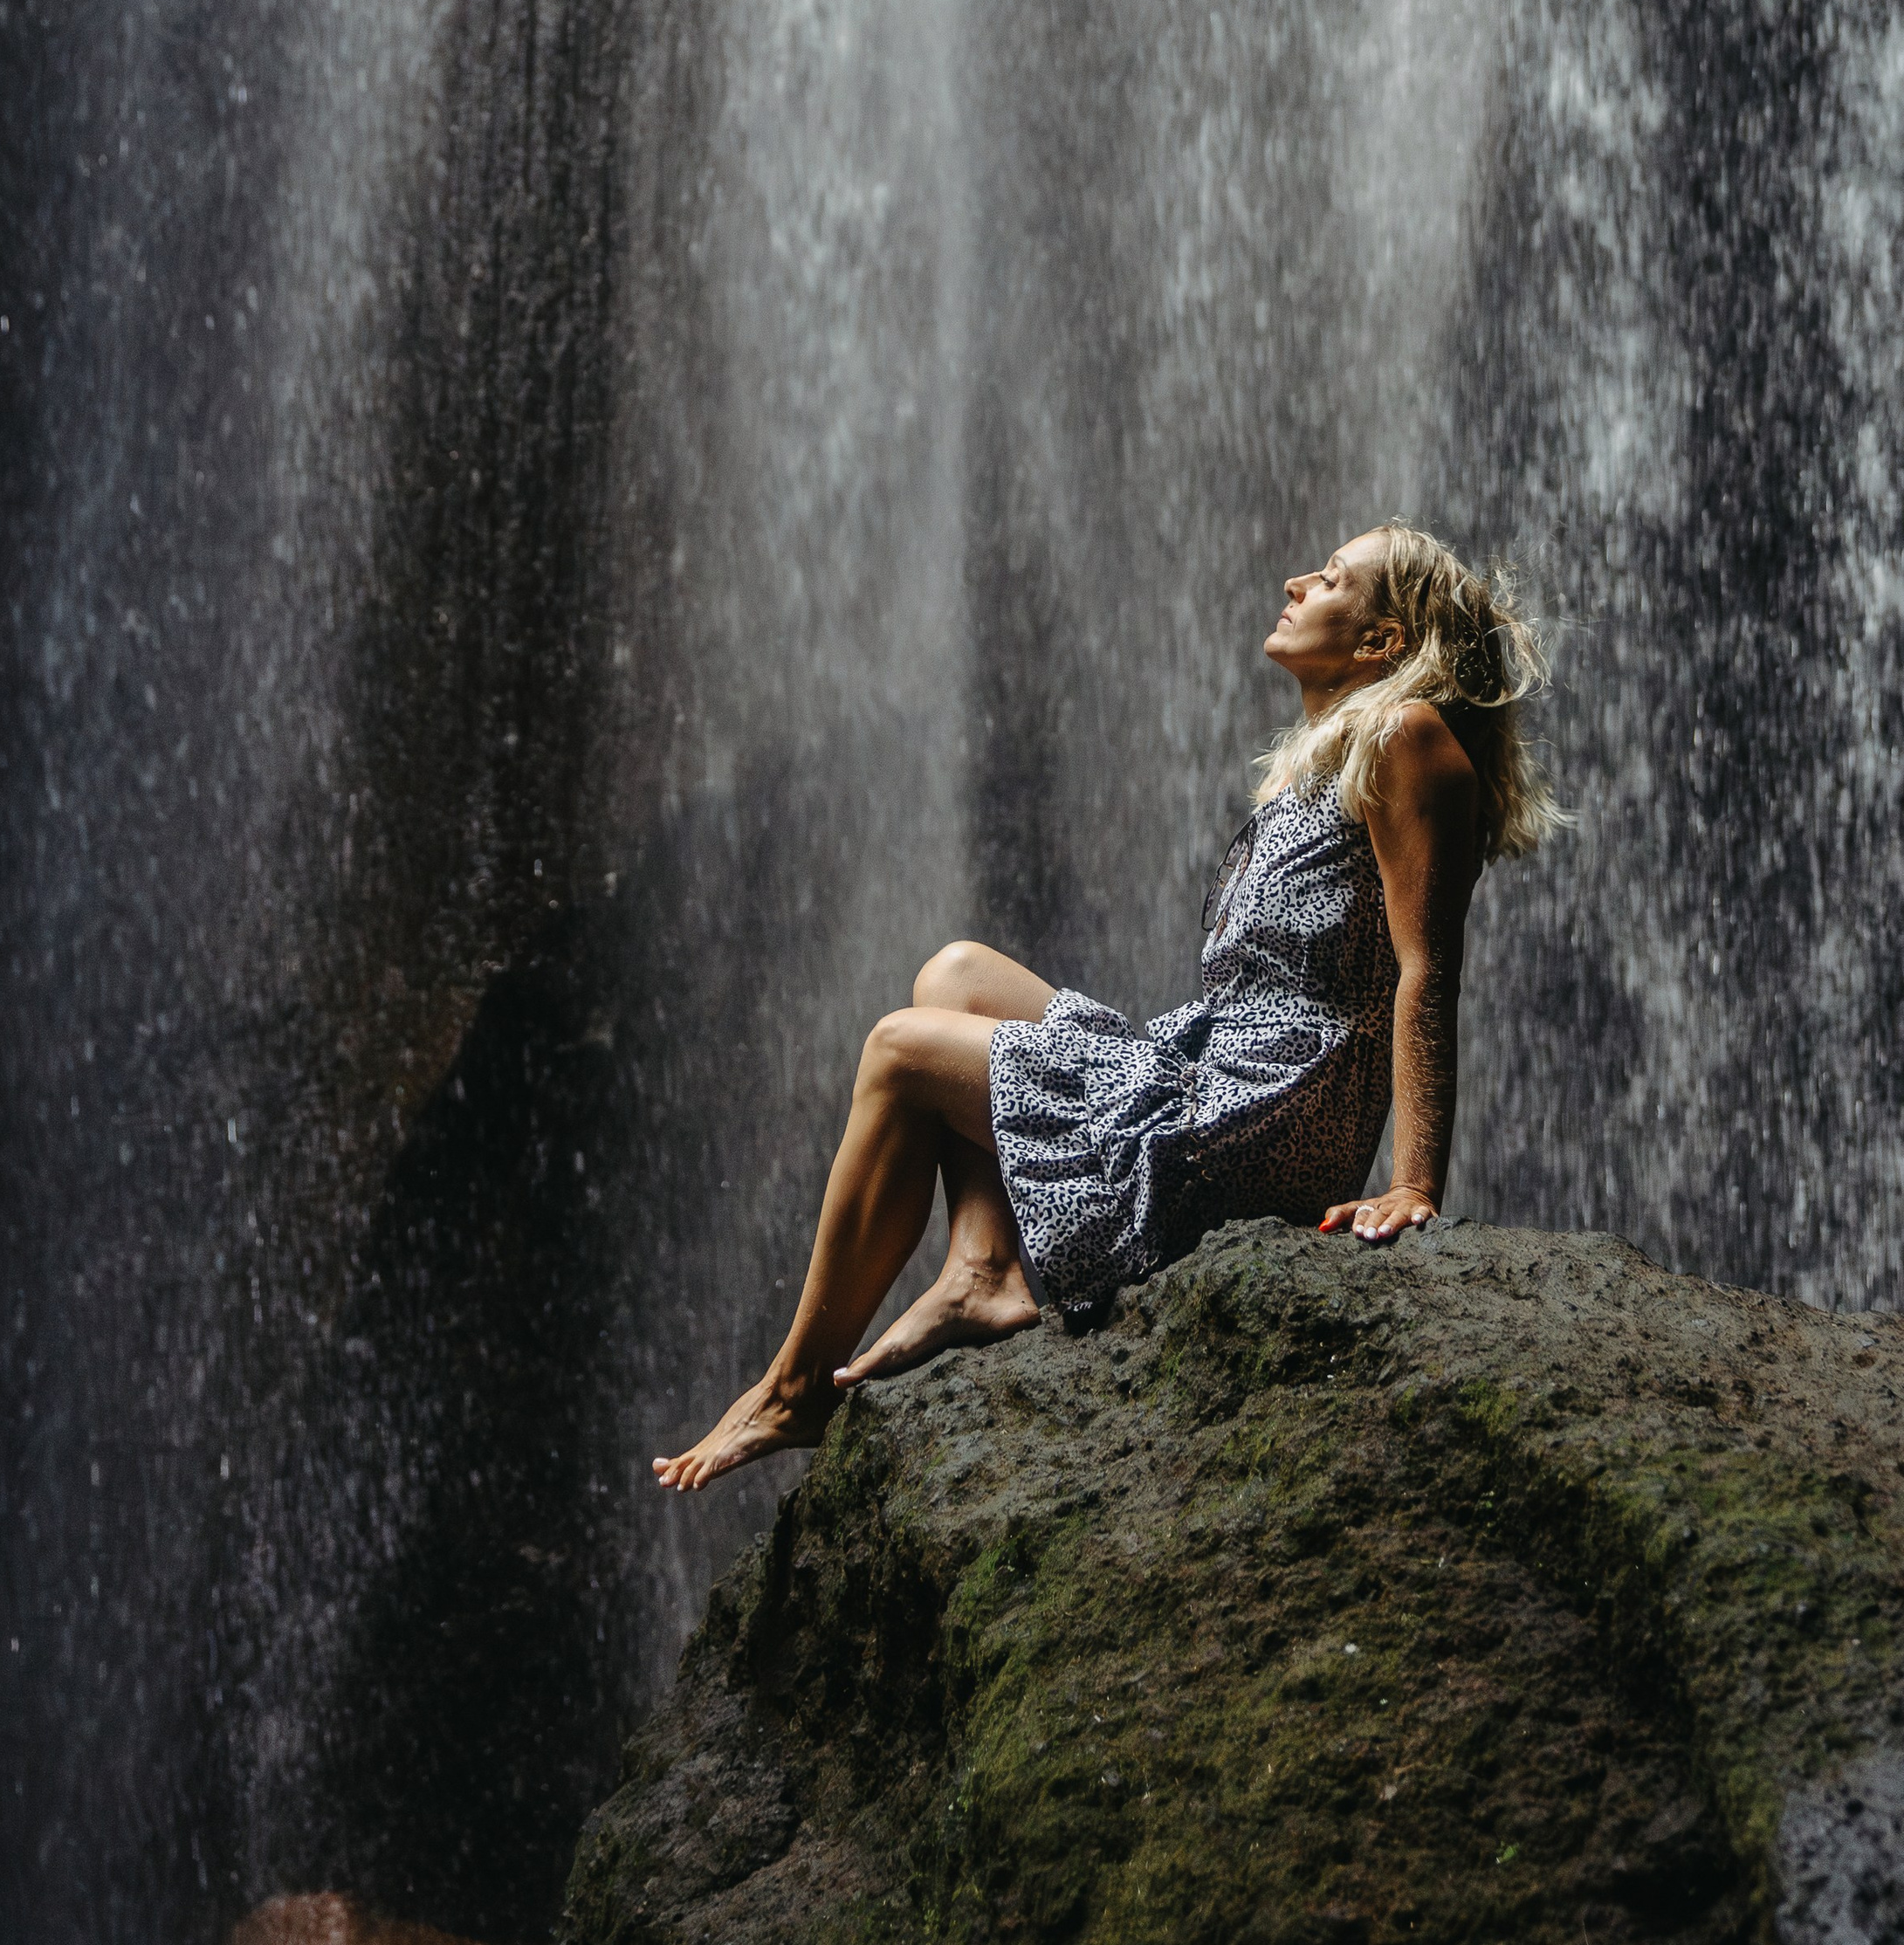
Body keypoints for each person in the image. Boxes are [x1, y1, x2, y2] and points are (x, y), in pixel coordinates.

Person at [653, 520, 1563, 1495]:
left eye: (1332, 578)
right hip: (1215, 1070)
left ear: (1381, 642)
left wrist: (1412, 1185)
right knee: (956, 975)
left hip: (1270, 1114)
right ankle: (981, 1270)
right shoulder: (1319, 761)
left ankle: (794, 1389)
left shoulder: (1406, 737)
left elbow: (1426, 972)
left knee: (901, 1051)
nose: (1297, 582)